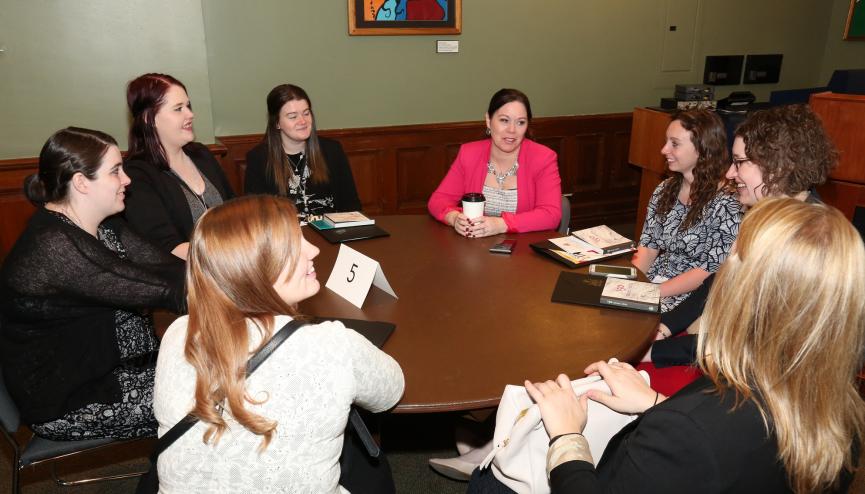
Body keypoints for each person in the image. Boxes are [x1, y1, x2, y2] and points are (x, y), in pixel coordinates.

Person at [473, 198, 863, 493]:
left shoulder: (689, 431)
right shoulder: (843, 413)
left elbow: (702, 442)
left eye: (733, 258)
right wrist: (655, 404)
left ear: (750, 292)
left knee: (489, 481)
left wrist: (567, 435)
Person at [153, 196, 404, 493]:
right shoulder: (333, 345)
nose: (313, 249)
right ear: (254, 268)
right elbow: (390, 392)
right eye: (293, 244)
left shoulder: (179, 334)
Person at [0, 128, 185, 441]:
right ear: (81, 182)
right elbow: (170, 291)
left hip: (121, 368)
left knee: (228, 375)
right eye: (115, 171)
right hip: (74, 397)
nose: (127, 180)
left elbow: (171, 270)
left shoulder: (106, 226)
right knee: (218, 397)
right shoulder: (54, 246)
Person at [648, 104, 837, 367]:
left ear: (777, 166)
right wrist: (666, 327)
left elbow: (752, 343)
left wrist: (656, 353)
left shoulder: (807, 240)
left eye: (739, 163)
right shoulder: (766, 214)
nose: (729, 173)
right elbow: (719, 281)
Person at [631, 110, 740, 311]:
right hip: (657, 282)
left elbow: (710, 270)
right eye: (666, 142)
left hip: (693, 298)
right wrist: (630, 285)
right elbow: (649, 246)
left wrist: (652, 292)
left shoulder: (728, 202)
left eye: (675, 143)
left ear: (702, 148)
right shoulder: (665, 189)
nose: (664, 150)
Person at [124, 73, 234, 260]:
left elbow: (235, 207)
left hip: (235, 265)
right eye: (178, 109)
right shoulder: (137, 175)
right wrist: (234, 253)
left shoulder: (201, 155)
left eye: (188, 106)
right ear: (148, 119)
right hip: (185, 279)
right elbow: (167, 247)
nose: (190, 114)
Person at [427, 88, 562, 237]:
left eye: (520, 122)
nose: (512, 130)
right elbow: (438, 200)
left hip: (523, 251)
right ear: (488, 121)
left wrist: (501, 224)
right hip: (475, 249)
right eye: (504, 120)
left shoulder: (543, 158)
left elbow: (551, 215)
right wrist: (454, 218)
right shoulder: (469, 153)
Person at [244, 84, 361, 221]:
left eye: (306, 113)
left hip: (332, 235)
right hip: (285, 238)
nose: (303, 121)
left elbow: (351, 205)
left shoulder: (332, 150)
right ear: (277, 123)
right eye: (293, 117)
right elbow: (256, 216)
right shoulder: (258, 159)